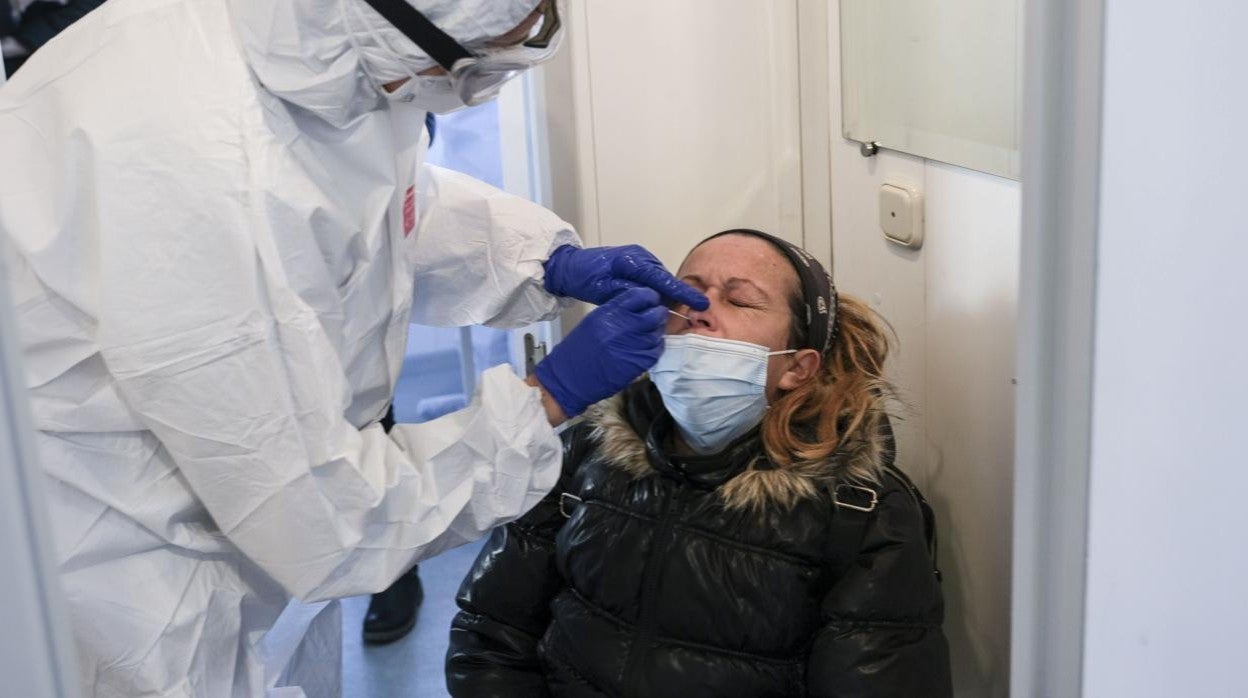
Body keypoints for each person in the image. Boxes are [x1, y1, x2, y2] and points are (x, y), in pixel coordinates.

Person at [0, 0, 708, 696]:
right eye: (474, 66)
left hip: (240, 531)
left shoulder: (324, 50)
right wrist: (546, 398)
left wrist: (538, 260)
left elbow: (379, 206)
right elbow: (327, 522)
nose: (476, 92)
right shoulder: (195, 164)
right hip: (128, 565)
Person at [446, 229, 953, 697]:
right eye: (685, 291)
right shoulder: (583, 454)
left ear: (797, 366)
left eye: (739, 299)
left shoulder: (862, 513)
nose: (700, 309)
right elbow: (489, 633)